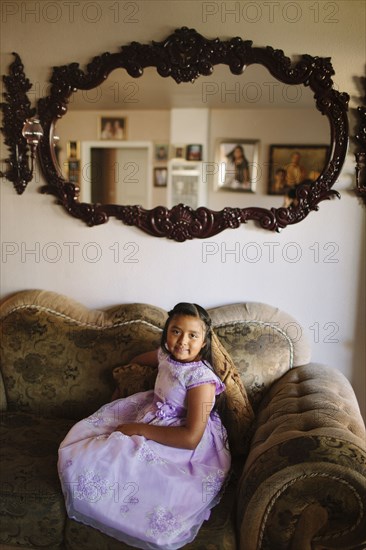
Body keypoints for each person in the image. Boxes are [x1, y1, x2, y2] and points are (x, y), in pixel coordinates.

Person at [58, 303, 231, 549]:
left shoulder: (200, 380)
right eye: (176, 331)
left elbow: (191, 437)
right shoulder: (165, 354)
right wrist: (126, 376)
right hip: (152, 413)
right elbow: (141, 359)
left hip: (183, 439)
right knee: (91, 451)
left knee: (132, 461)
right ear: (166, 333)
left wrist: (138, 429)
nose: (182, 341)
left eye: (193, 335)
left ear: (204, 341)